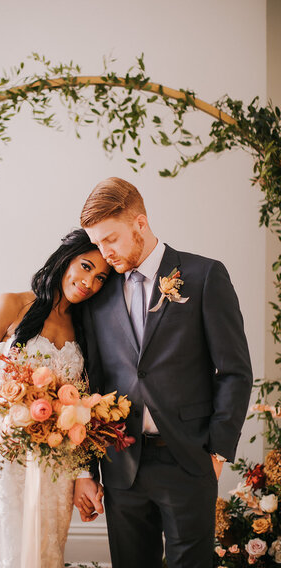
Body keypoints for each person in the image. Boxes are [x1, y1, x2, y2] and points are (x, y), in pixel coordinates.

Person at [74, 177, 253, 568]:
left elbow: (235, 371)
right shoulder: (98, 295)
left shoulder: (205, 276)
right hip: (121, 464)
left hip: (189, 459)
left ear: (140, 224)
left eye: (111, 239)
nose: (104, 253)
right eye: (97, 243)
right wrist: (86, 469)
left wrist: (218, 451)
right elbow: (91, 383)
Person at [0, 229, 110, 568]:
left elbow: (83, 409)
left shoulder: (87, 328)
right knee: (1, 549)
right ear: (66, 258)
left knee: (45, 552)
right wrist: (3, 422)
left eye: (100, 278)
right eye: (85, 267)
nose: (89, 282)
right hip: (5, 454)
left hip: (57, 465)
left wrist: (84, 474)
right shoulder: (11, 304)